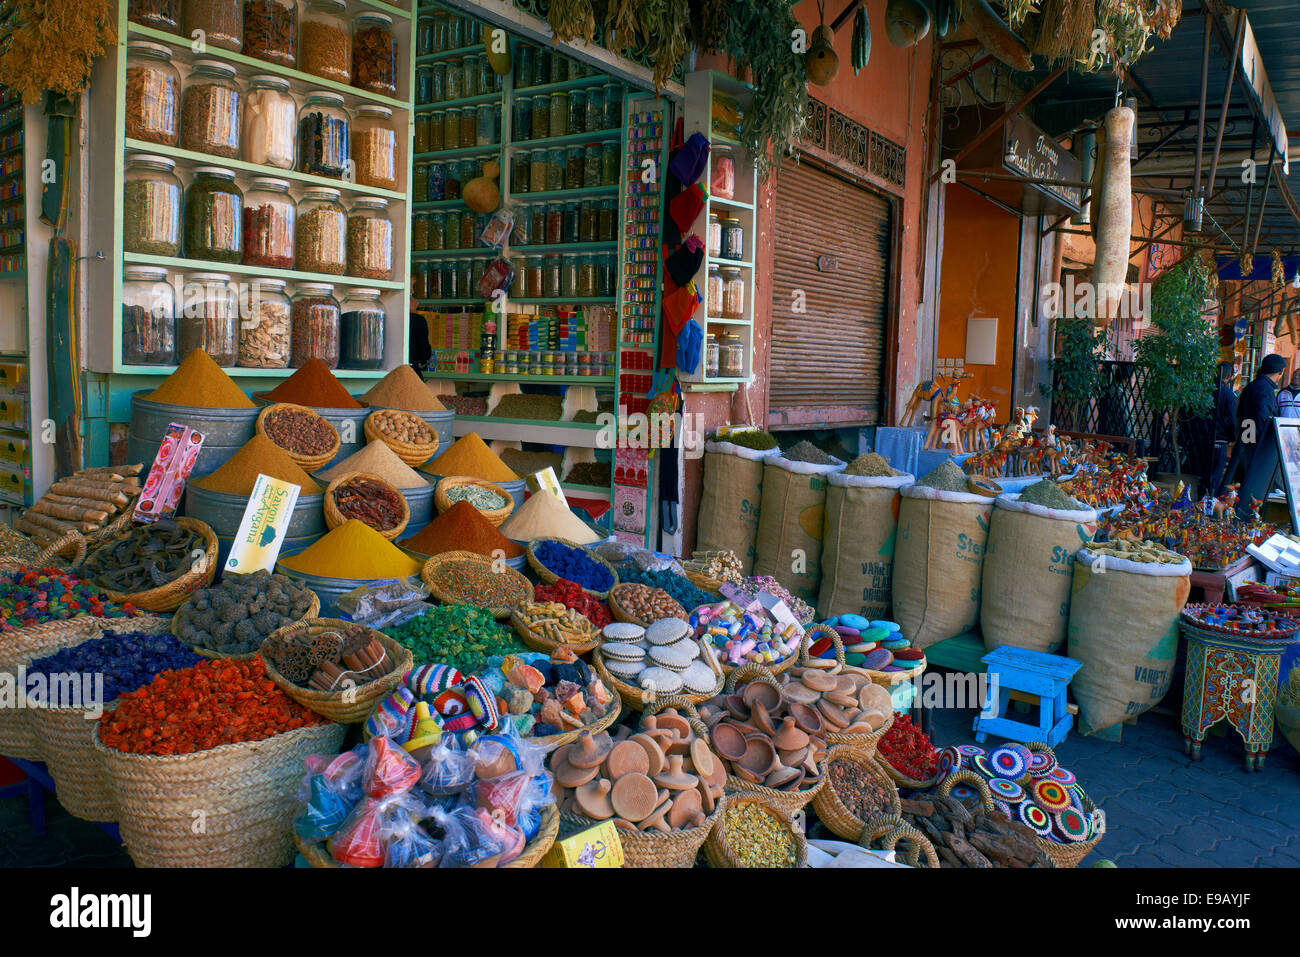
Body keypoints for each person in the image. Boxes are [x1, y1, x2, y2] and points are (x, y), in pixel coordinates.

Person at [1234, 353, 1286, 520]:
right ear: (1281, 372)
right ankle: (1246, 518)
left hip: (1247, 439)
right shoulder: (1265, 389)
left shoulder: (1253, 386)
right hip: (1256, 444)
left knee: (1243, 480)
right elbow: (1263, 418)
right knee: (1253, 485)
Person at [1206, 361, 1238, 499]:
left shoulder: (1203, 391)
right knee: (1215, 476)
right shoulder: (1228, 395)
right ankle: (1209, 505)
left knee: (1202, 473)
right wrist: (1231, 437)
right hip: (1220, 438)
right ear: (1229, 377)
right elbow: (1232, 420)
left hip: (1202, 438)